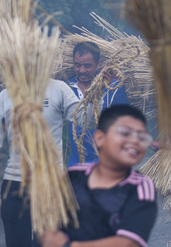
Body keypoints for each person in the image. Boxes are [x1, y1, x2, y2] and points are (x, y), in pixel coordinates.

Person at [0, 79, 96, 247]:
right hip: (14, 185)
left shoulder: (58, 89)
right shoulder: (6, 95)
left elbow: (86, 122)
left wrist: (94, 95)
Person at [42, 104, 157, 247]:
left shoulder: (140, 186)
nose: (135, 141)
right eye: (125, 133)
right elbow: (50, 224)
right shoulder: (73, 176)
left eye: (142, 137)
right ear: (100, 138)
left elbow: (129, 243)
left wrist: (69, 246)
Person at [68, 41, 129, 166]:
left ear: (98, 64)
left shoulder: (114, 88)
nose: (82, 70)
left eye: (88, 66)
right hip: (76, 166)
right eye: (77, 65)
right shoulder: (66, 87)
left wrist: (151, 142)